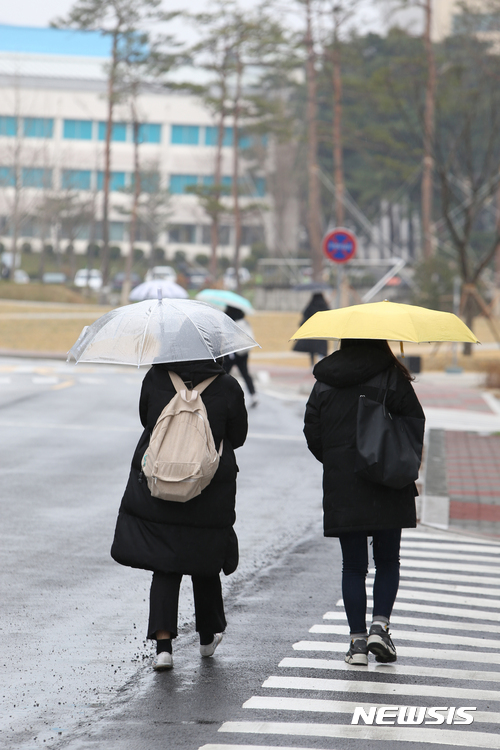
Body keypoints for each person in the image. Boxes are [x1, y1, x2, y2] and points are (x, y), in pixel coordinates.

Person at [111, 358, 248, 670]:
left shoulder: (156, 378)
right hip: (208, 486)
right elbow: (237, 437)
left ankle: (163, 648)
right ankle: (206, 637)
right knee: (205, 558)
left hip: (160, 481)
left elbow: (147, 419)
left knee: (165, 562)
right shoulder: (227, 385)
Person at [303, 338, 425, 666]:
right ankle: (380, 627)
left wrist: (337, 462)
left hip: (343, 484)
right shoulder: (391, 376)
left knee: (353, 566)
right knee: (387, 561)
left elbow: (313, 433)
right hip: (388, 480)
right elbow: (415, 425)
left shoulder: (325, 381)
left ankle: (357, 644)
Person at [223, 305, 258, 407]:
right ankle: (254, 395)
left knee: (224, 375)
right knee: (245, 374)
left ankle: (222, 395)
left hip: (232, 353)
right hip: (243, 353)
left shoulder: (231, 322)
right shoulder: (245, 322)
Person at [293, 292, 330, 367]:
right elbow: (330, 314)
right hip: (322, 332)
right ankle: (321, 363)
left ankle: (312, 364)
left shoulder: (311, 305)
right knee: (321, 350)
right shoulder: (324, 305)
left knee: (312, 350)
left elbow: (305, 313)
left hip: (313, 331)